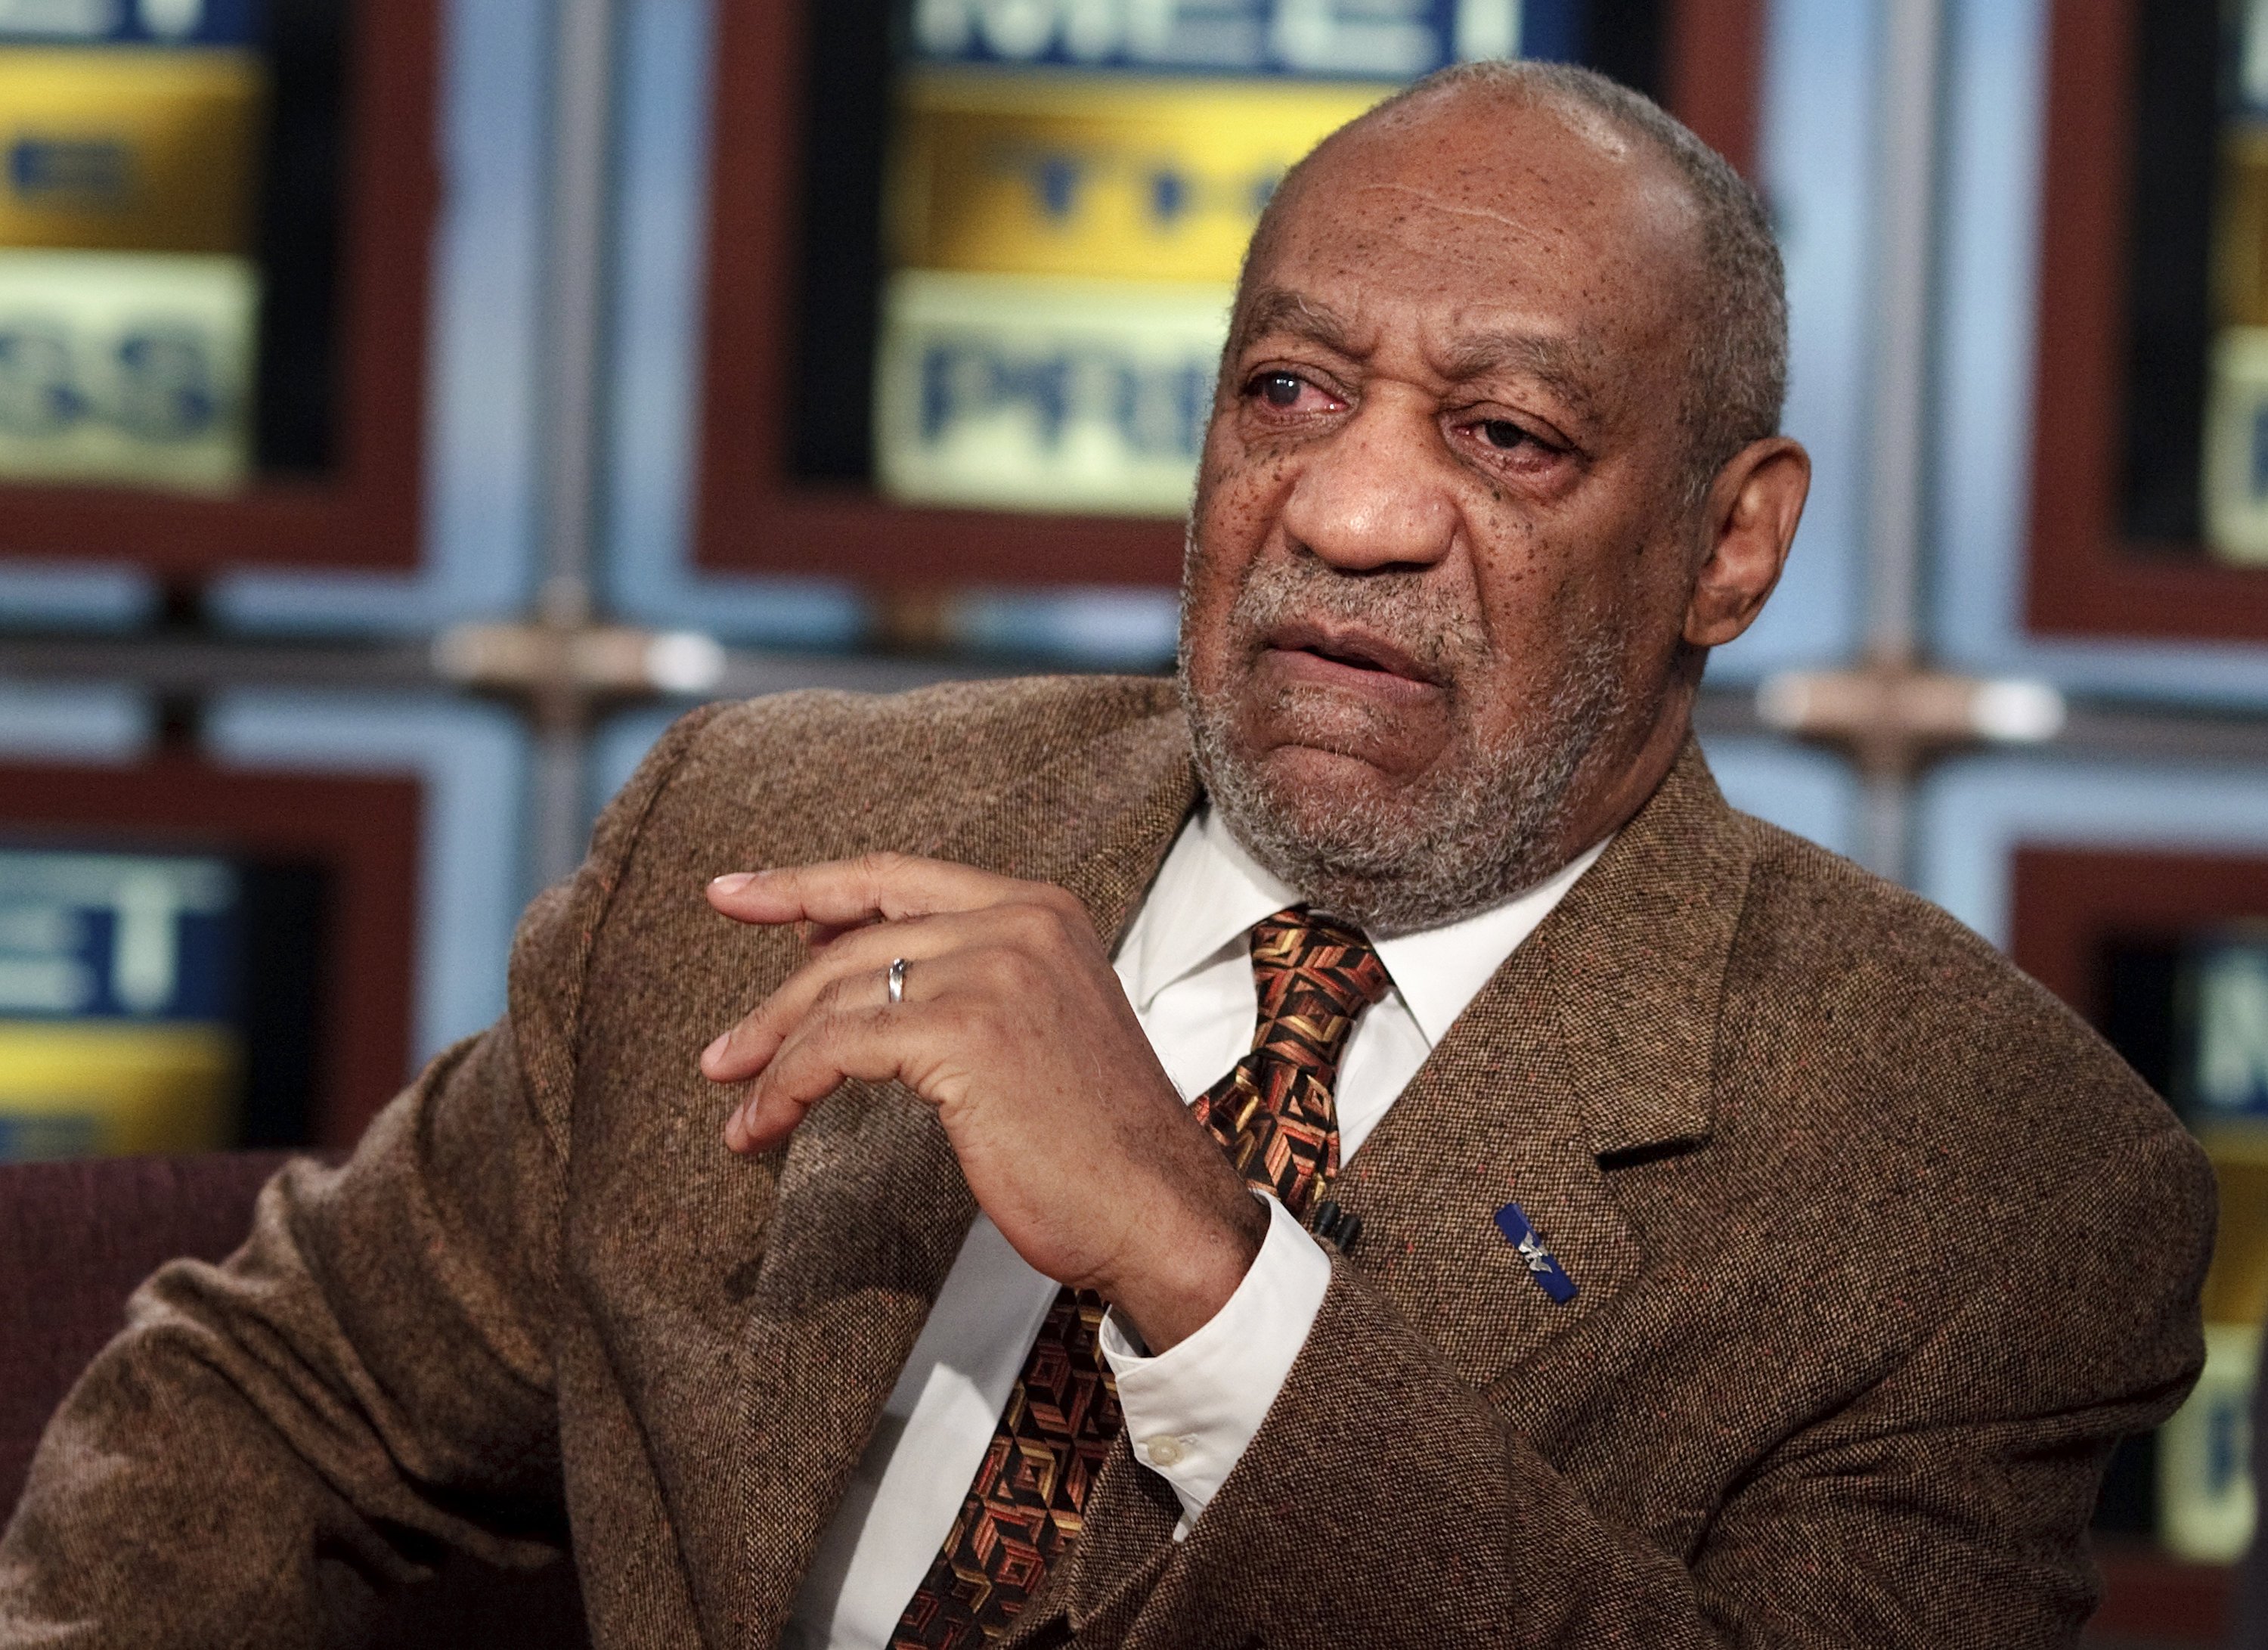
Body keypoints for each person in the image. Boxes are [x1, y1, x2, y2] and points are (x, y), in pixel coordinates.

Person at [0, 60, 2213, 1650]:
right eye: (1289, 393)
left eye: (1503, 435)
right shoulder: (771, 832)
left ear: (1732, 545)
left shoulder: (1991, 1183)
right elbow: (272, 1400)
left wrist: (1204, 1269)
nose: (1348, 514)